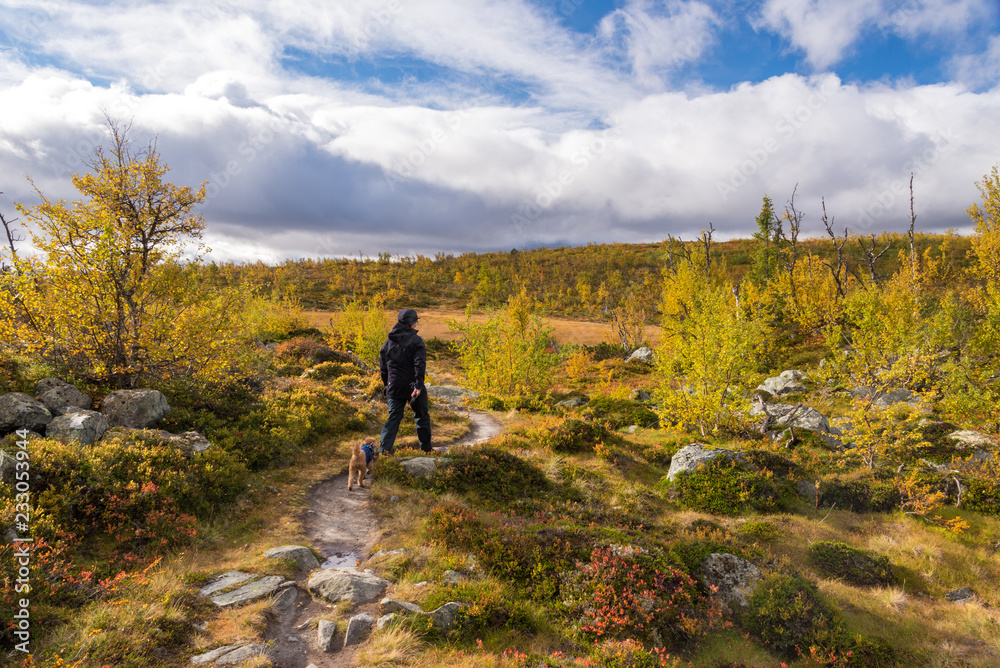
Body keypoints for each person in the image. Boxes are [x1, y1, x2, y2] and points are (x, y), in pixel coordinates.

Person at [379, 308, 432, 454]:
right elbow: (419, 365)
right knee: (421, 416)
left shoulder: (387, 342)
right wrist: (418, 386)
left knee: (393, 418)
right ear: (412, 323)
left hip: (394, 387)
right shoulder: (417, 341)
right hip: (412, 386)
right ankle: (427, 450)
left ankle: (383, 453)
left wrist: (387, 385)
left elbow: (383, 368)